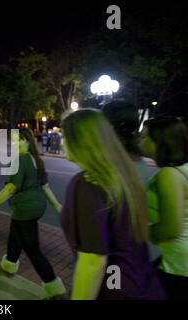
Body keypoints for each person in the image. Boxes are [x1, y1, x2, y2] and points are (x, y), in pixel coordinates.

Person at [60, 109, 166, 300]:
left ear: (78, 142)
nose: (62, 142)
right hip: (141, 283)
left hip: (116, 289)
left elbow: (93, 261)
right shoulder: (122, 173)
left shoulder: (86, 183)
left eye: (64, 136)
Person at [0, 128, 66, 299]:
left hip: (25, 209)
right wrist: (57, 205)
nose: (14, 144)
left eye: (18, 140)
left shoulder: (20, 160)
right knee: (15, 235)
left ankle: (55, 289)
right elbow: (45, 187)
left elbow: (10, 188)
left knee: (32, 249)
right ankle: (9, 265)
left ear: (28, 141)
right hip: (35, 207)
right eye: (12, 140)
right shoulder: (36, 160)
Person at [102, 100, 161, 262]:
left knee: (114, 286)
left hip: (127, 254)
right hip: (143, 250)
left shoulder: (115, 161)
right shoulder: (133, 156)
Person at [141, 116, 188, 300]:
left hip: (179, 265)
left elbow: (170, 229)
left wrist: (143, 231)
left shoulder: (169, 175)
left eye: (145, 137)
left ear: (159, 142)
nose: (140, 140)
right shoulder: (182, 168)